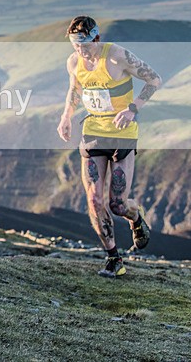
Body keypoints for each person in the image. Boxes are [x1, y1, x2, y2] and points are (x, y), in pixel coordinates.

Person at [57, 15, 161, 278]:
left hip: (122, 133)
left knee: (117, 204)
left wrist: (132, 108)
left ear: (97, 39)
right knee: (93, 199)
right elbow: (75, 90)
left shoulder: (116, 56)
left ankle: (136, 217)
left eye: (85, 45)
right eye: (75, 46)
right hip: (92, 132)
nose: (81, 51)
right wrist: (66, 117)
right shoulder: (74, 61)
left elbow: (154, 80)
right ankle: (114, 259)